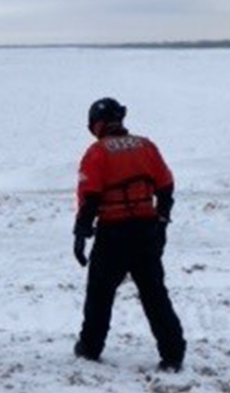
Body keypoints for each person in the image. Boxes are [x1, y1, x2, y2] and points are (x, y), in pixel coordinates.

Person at [73, 97, 185, 372]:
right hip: (146, 230)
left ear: (97, 124)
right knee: (154, 293)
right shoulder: (146, 146)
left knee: (100, 293)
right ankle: (173, 353)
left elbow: (90, 198)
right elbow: (166, 187)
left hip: (113, 232)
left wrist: (81, 233)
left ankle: (90, 347)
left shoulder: (97, 153)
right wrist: (162, 221)